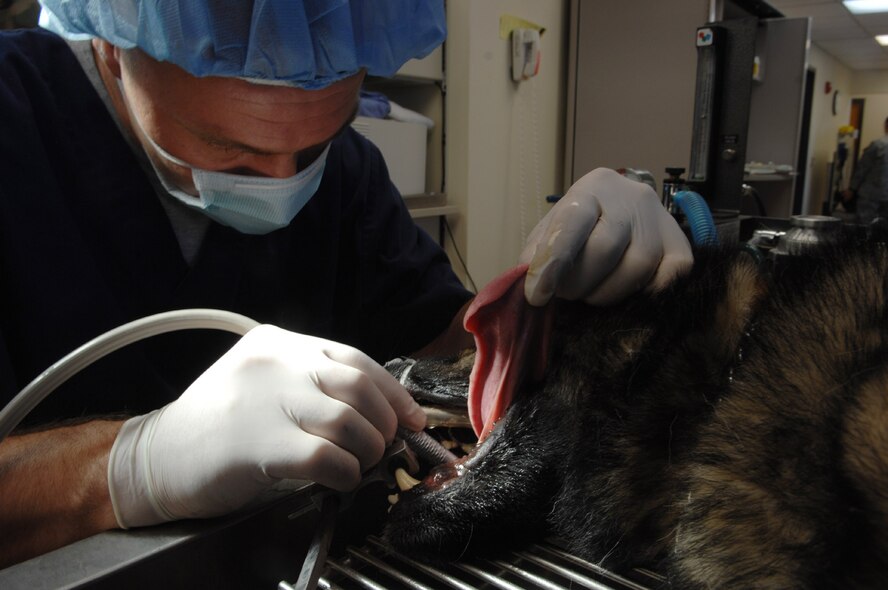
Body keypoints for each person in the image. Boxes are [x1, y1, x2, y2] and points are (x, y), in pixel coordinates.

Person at [0, 0, 693, 567]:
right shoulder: (19, 123)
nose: (281, 185)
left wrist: (563, 312)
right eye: (226, 148)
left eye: (314, 145)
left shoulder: (347, 175)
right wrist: (129, 468)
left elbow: (449, 350)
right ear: (115, 46)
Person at [843, 117, 888, 224]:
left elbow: (862, 168)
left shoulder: (878, 145)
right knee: (883, 229)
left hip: (870, 196)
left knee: (865, 226)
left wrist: (852, 189)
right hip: (885, 198)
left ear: (886, 126)